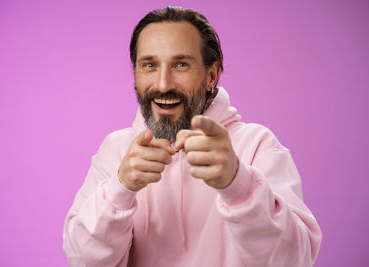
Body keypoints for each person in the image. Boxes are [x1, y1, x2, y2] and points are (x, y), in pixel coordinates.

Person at [63, 6, 322, 267]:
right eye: (149, 65)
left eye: (181, 65)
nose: (163, 84)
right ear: (136, 73)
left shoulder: (257, 146)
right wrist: (120, 188)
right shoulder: (116, 150)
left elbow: (294, 260)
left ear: (211, 75)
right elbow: (82, 261)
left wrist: (238, 183)